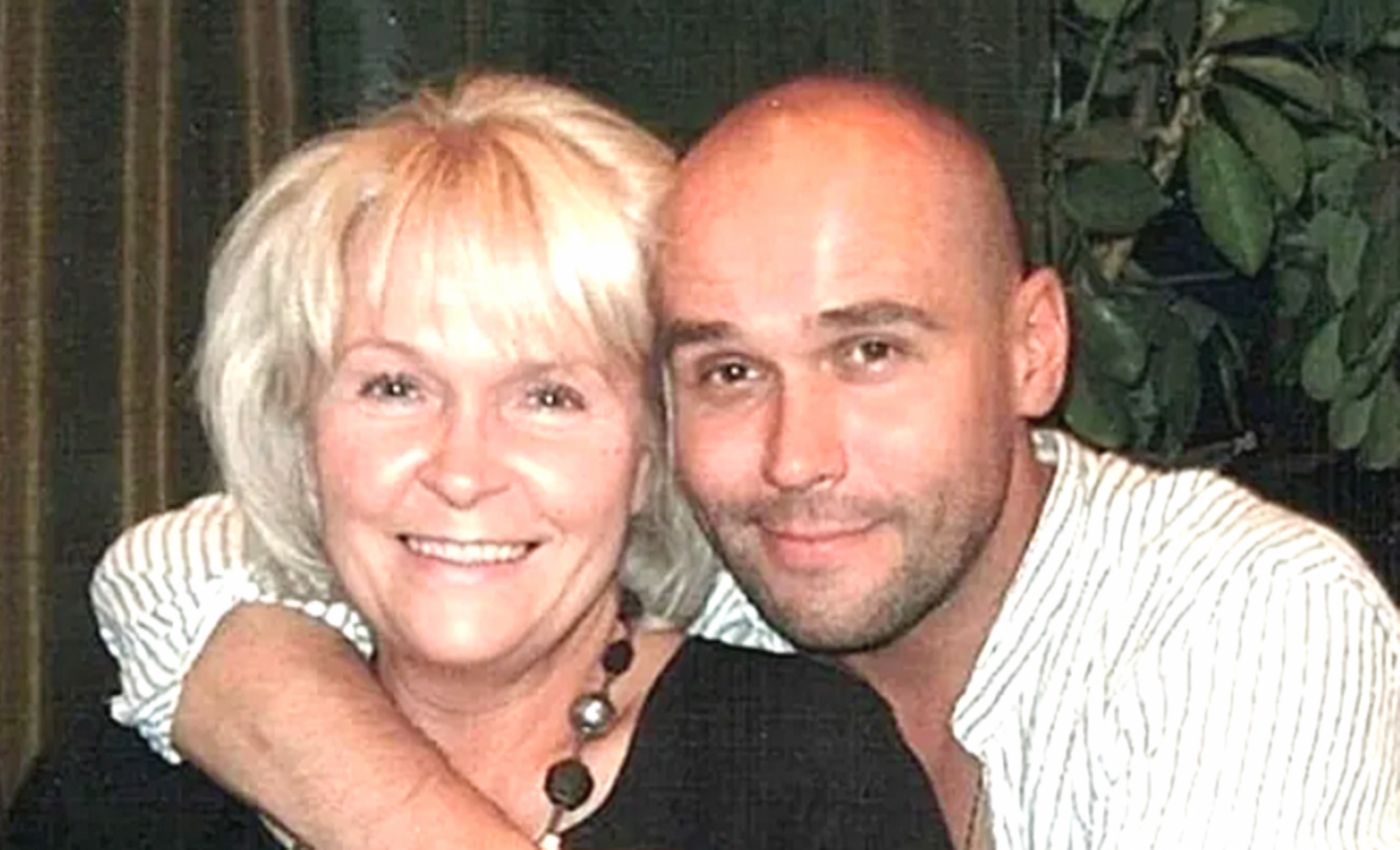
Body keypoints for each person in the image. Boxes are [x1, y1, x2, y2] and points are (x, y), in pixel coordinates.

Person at [54, 75, 1400, 850]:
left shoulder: (1240, 624)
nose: (795, 457)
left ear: (1033, 348)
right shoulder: (723, 560)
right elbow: (178, 566)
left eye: (870, 350)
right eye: (727, 370)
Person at [3, 72, 952, 850]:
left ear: (651, 452)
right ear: (297, 429)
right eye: (394, 387)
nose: (462, 471)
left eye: (549, 397)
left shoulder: (798, 776)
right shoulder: (113, 798)